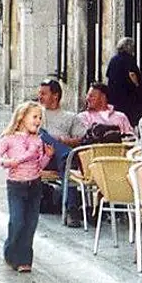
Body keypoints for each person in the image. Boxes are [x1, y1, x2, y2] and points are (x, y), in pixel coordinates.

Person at [0, 101, 53, 273]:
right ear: (22, 117)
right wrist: (9, 162)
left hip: (34, 184)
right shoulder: (8, 139)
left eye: (40, 118)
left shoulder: (38, 141)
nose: (38, 121)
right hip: (16, 186)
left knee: (31, 223)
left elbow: (39, 164)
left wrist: (47, 157)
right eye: (34, 117)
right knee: (17, 221)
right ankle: (10, 252)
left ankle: (25, 259)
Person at [36, 79, 90, 228]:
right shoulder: (35, 114)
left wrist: (64, 140)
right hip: (40, 156)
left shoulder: (71, 117)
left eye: (43, 94)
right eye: (39, 93)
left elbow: (81, 139)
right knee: (42, 134)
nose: (39, 97)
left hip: (60, 159)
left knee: (66, 161)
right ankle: (65, 155)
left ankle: (72, 209)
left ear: (55, 95)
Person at [105, 37, 142, 125]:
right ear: (128, 47)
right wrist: (138, 86)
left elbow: (108, 76)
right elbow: (132, 74)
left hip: (114, 94)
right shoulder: (128, 59)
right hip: (128, 93)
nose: (133, 49)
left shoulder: (113, 59)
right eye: (132, 47)